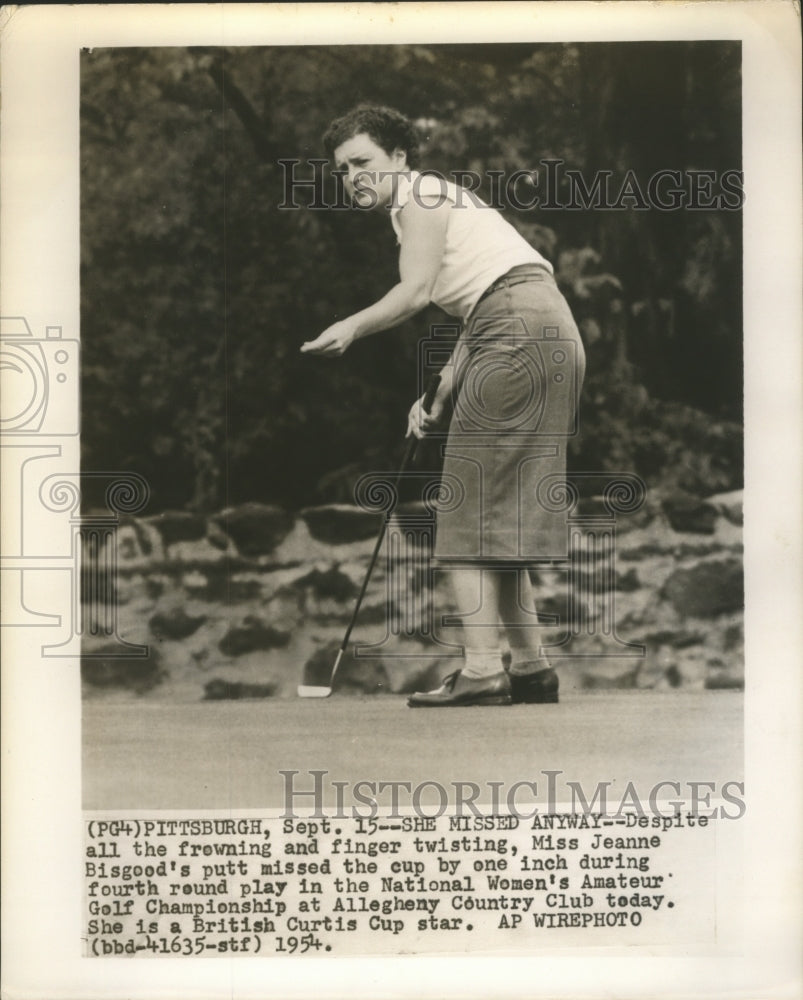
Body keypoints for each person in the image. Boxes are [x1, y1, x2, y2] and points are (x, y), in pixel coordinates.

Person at [301, 105, 585, 707]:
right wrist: (439, 393)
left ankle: (483, 672)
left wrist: (350, 326)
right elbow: (483, 302)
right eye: (343, 169)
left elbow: (418, 293)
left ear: (400, 158)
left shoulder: (419, 197)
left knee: (464, 510)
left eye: (363, 162)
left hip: (515, 330)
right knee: (494, 514)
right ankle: (531, 668)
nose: (352, 176)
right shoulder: (433, 200)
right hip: (540, 327)